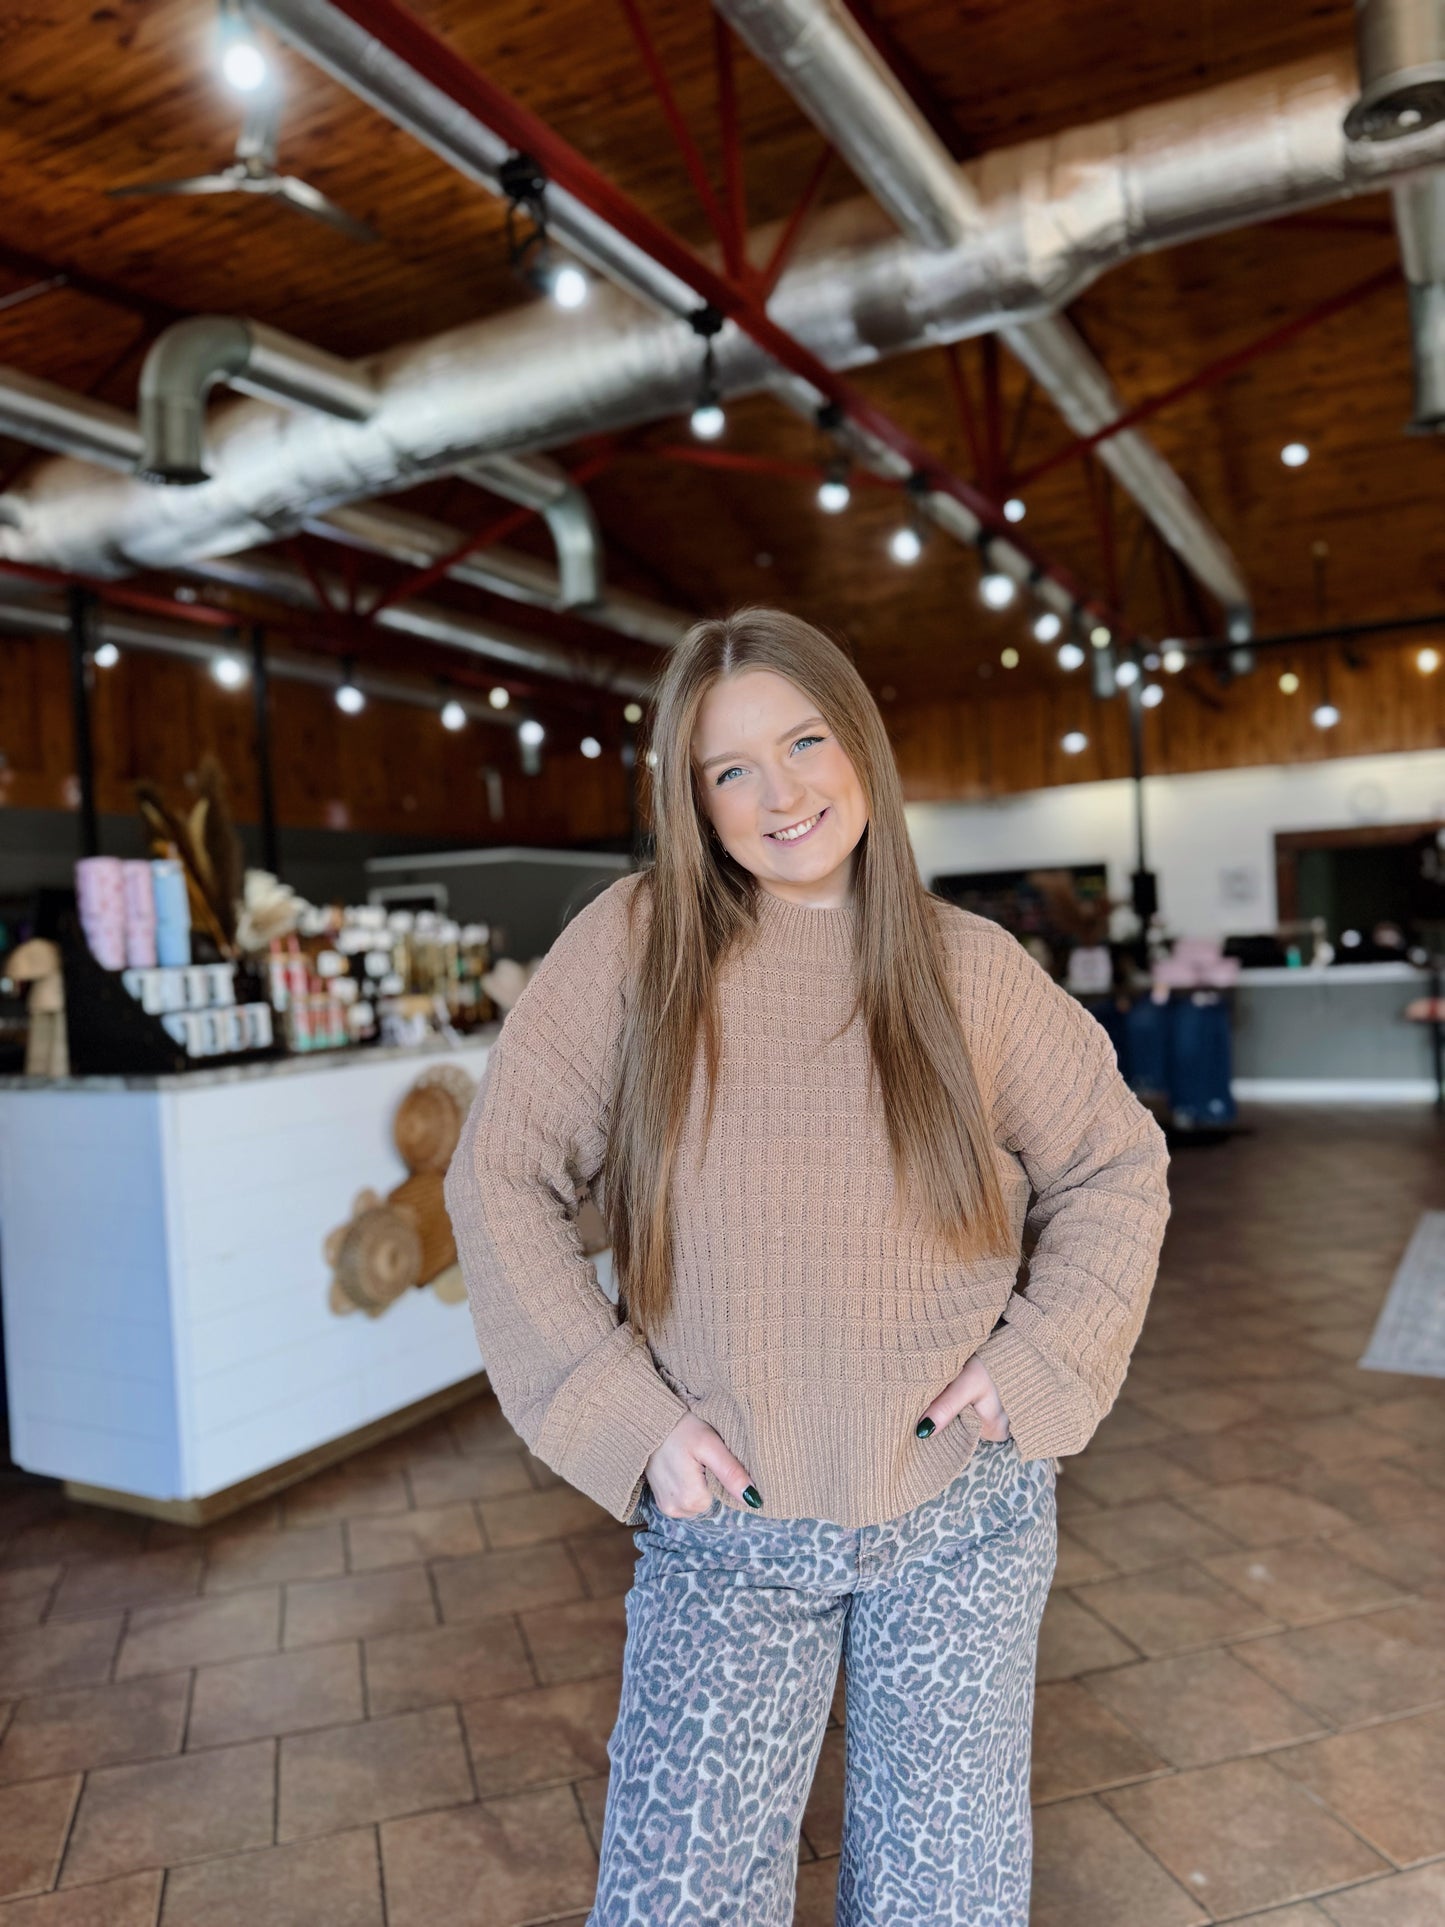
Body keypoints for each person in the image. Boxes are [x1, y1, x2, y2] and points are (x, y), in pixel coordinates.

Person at [445, 607, 1171, 1926]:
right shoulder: (634, 946)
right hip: (729, 1526)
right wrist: (629, 1414)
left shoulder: (971, 971)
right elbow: (497, 1181)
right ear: (691, 797)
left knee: (943, 1897)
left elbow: (1114, 1165)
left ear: (860, 748)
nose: (779, 793)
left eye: (802, 741)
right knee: (681, 1899)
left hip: (963, 1520)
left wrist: (1038, 1361)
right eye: (730, 769)